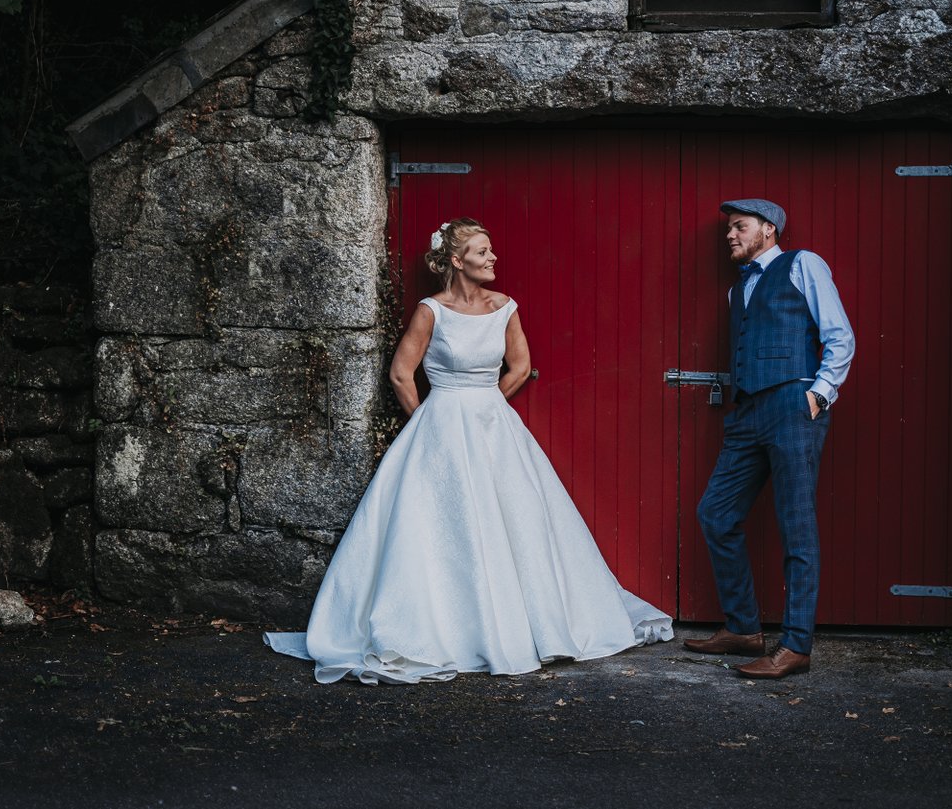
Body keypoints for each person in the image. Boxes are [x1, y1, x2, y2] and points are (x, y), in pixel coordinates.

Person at [265, 217, 673, 683]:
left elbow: (520, 367)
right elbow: (402, 374)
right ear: (457, 261)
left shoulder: (504, 308)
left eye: (491, 249)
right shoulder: (430, 311)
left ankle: (533, 628)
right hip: (439, 423)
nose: (493, 257)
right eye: (483, 251)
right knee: (438, 526)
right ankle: (447, 628)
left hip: (494, 426)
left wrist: (487, 405)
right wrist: (427, 421)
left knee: (517, 522)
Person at [683, 199, 854, 679]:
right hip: (748, 413)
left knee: (795, 524)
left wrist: (818, 394)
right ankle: (743, 629)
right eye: (728, 230)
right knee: (715, 513)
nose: (730, 236)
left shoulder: (803, 264)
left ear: (768, 230)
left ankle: (795, 645)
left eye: (739, 227)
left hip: (793, 407)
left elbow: (839, 335)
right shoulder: (737, 292)